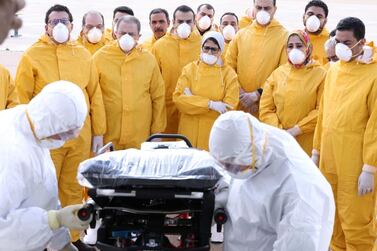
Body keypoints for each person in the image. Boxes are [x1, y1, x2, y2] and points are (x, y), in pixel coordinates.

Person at [15, 4, 106, 250]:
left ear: (72, 25)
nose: (59, 26)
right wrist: (26, 135)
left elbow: (94, 93)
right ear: (46, 26)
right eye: (54, 22)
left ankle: (74, 239)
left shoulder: (84, 55)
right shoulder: (32, 55)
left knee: (74, 189)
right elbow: (21, 98)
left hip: (79, 135)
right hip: (46, 138)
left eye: (63, 21)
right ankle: (44, 241)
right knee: (44, 192)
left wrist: (98, 131)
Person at [209, 111, 335, 251]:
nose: (227, 170)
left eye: (231, 166)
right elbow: (234, 179)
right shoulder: (257, 138)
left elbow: (299, 245)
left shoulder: (299, 193)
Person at [0, 81, 92, 251]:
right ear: (51, 124)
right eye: (65, 132)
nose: (68, 138)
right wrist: (53, 220)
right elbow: (2, 230)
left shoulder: (33, 126)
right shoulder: (10, 152)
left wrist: (62, 243)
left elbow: (43, 195)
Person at [312, 17, 377, 251]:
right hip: (330, 159)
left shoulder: (373, 75)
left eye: (347, 42)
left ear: (362, 42)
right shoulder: (334, 70)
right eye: (337, 41)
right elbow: (324, 115)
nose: (341, 47)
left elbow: (375, 126)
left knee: (356, 223)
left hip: (355, 163)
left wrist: (370, 168)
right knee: (333, 221)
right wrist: (316, 152)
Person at [93, 16, 166, 150]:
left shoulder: (148, 59)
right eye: (122, 33)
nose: (126, 37)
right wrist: (97, 132)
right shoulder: (99, 58)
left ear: (139, 36)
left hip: (139, 135)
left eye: (131, 34)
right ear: (115, 34)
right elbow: (92, 95)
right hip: (109, 134)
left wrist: (157, 131)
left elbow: (158, 96)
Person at [259, 30, 325, 155]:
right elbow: (266, 109)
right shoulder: (278, 73)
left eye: (299, 45)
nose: (294, 49)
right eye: (290, 46)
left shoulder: (320, 74)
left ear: (308, 48)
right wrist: (280, 132)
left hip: (307, 140)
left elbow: (321, 109)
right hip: (278, 140)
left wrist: (296, 130)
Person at [173, 31, 239, 150]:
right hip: (188, 133)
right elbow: (179, 100)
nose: (209, 52)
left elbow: (229, 107)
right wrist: (211, 104)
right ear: (201, 48)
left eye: (214, 49)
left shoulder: (229, 74)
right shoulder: (189, 70)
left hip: (214, 133)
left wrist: (192, 100)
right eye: (206, 48)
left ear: (221, 51)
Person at [226, 0, 288, 117]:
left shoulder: (284, 36)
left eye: (267, 8)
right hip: (238, 102)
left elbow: (283, 72)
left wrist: (258, 94)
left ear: (275, 9)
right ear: (253, 8)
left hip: (265, 106)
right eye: (259, 7)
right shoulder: (241, 34)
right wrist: (240, 92)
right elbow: (228, 65)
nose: (262, 11)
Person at [152, 5, 201, 134]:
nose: (184, 25)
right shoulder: (160, 46)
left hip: (194, 108)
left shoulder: (202, 45)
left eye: (188, 21)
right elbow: (153, 80)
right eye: (180, 21)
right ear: (173, 23)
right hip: (167, 109)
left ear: (194, 23)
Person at [303, 0, 330, 65]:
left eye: (319, 16)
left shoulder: (331, 41)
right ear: (304, 17)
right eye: (310, 14)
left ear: (325, 21)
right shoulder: (295, 39)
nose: (314, 18)